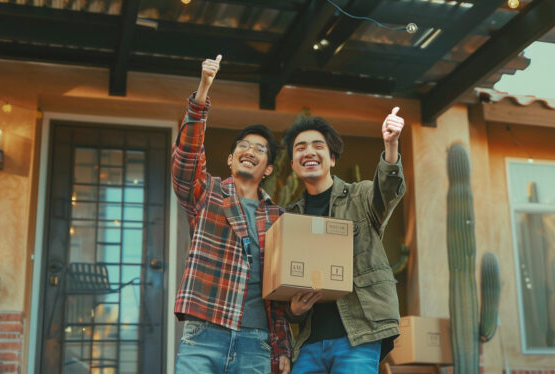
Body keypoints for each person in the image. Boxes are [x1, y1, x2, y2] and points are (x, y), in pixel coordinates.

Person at [172, 54, 291, 374]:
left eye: (260, 149)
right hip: (204, 333)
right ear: (230, 158)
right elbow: (186, 159)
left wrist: (281, 346)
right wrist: (202, 92)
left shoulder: (278, 218)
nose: (250, 150)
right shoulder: (206, 194)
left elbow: (278, 290)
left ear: (267, 169)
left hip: (257, 341)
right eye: (244, 145)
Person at [282, 110, 406, 373]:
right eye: (300, 148)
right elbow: (285, 288)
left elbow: (387, 190)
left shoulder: (359, 197)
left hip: (357, 338)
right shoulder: (290, 219)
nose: (309, 153)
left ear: (333, 158)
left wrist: (391, 145)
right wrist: (294, 311)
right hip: (308, 344)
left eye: (318, 146)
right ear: (293, 164)